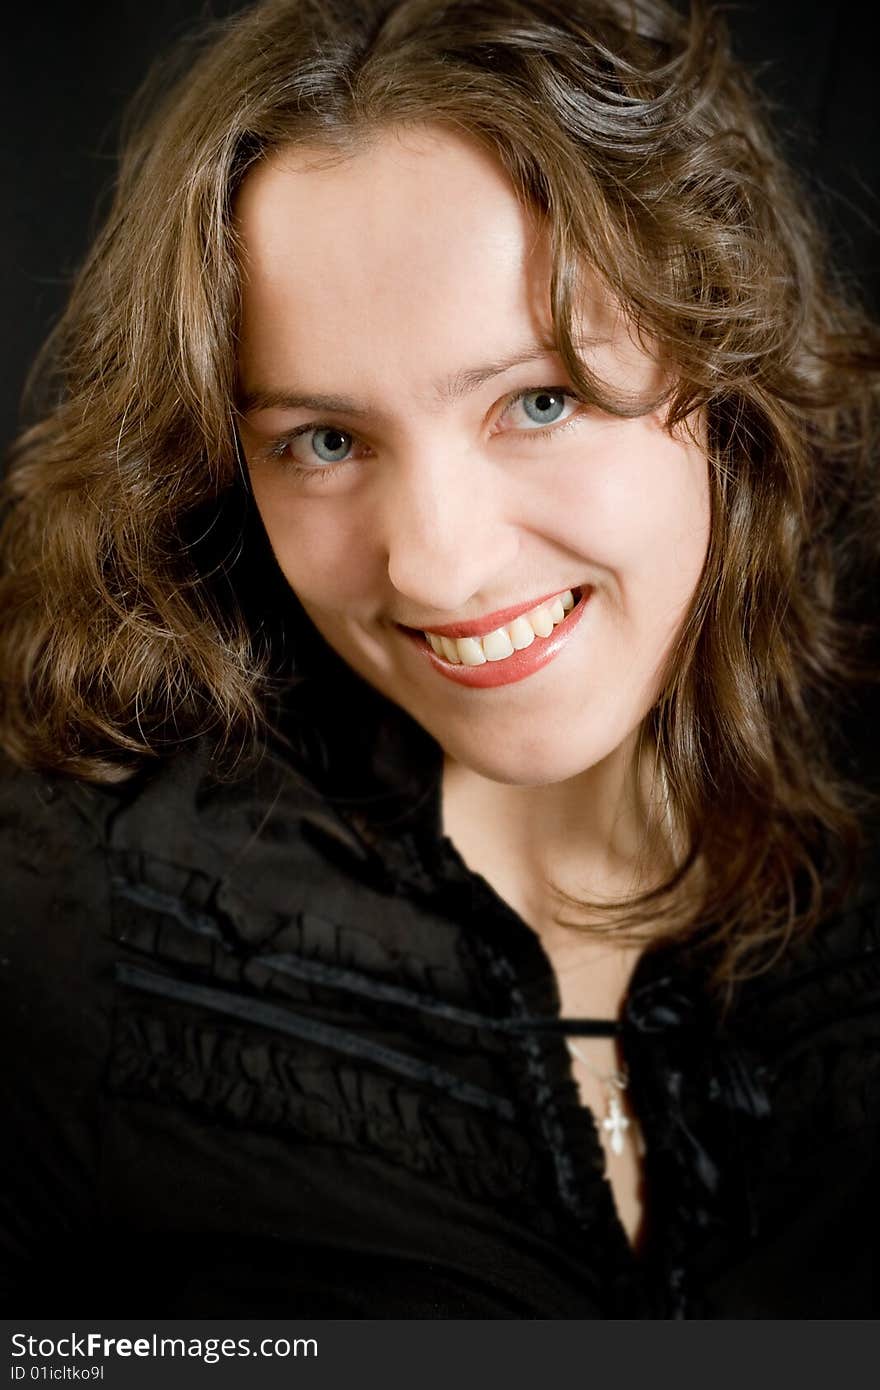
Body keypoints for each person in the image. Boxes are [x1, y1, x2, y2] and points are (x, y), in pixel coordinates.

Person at [1, 0, 878, 1319]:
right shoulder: (69, 929)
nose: (436, 567)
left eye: (540, 400)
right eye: (324, 440)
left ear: (726, 350)